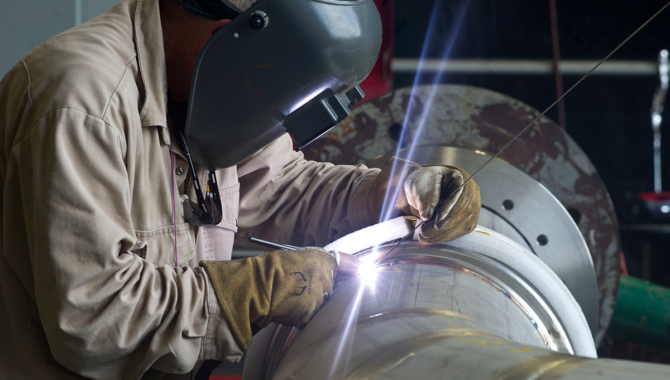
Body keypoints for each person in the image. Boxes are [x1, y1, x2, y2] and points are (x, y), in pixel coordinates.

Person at [0, 0, 481, 379]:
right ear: (236, 36)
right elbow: (94, 317)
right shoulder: (82, 102)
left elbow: (281, 186)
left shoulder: (202, 91)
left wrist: (389, 194)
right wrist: (251, 292)